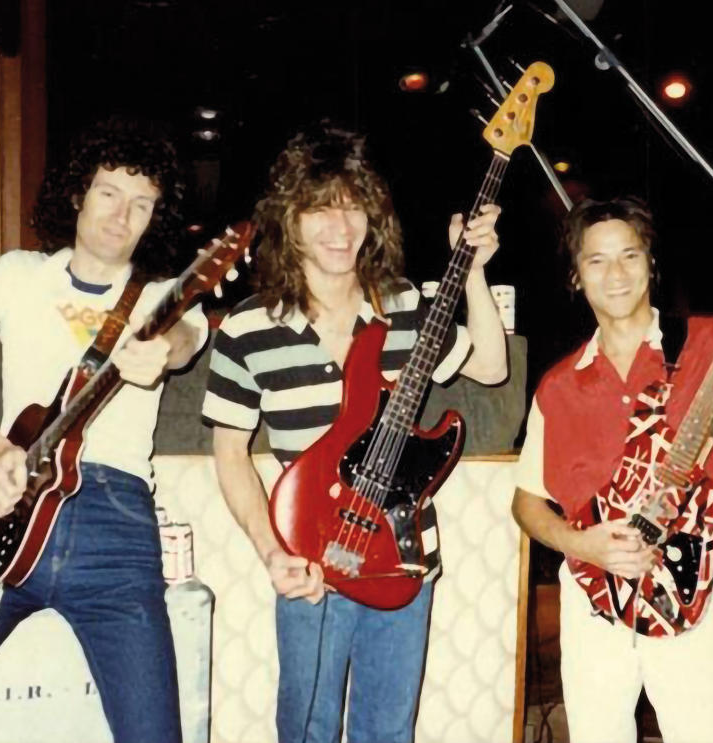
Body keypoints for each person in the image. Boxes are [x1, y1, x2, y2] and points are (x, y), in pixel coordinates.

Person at [0, 117, 207, 743]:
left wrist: (166, 349)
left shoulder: (164, 299)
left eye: (143, 204)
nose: (122, 215)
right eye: (110, 193)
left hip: (117, 534)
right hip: (8, 516)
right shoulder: (18, 273)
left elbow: (189, 339)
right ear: (79, 194)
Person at [202, 123, 508, 743]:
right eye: (320, 210)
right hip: (309, 560)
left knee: (387, 731)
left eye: (354, 209)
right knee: (306, 729)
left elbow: (492, 367)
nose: (341, 230)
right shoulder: (247, 328)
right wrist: (273, 554)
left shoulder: (402, 305)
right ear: (289, 220)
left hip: (402, 554)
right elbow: (231, 454)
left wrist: (472, 270)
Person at [512, 196, 713, 743]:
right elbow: (526, 500)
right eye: (596, 260)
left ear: (649, 264)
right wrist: (580, 544)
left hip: (692, 591)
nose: (615, 274)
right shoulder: (557, 386)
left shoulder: (711, 343)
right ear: (576, 276)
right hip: (593, 600)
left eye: (630, 256)